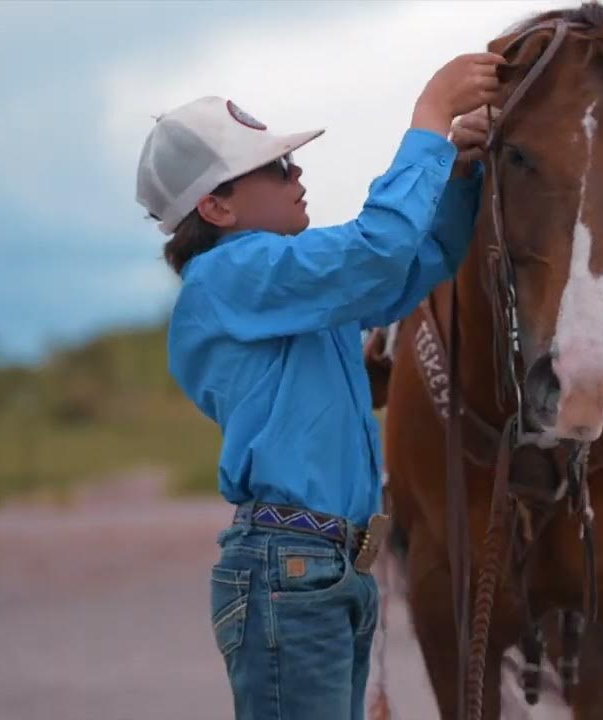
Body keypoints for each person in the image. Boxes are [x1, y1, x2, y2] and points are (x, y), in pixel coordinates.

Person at [133, 51, 504, 719]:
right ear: (216, 205)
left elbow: (417, 262)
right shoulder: (233, 277)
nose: (297, 172)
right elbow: (377, 250)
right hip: (293, 571)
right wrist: (430, 119)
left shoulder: (284, 291)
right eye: (277, 167)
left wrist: (460, 176)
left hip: (318, 570)